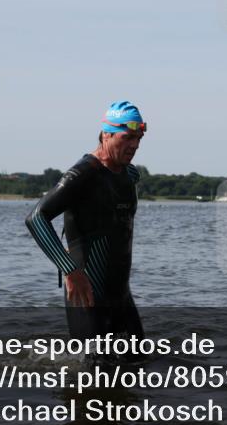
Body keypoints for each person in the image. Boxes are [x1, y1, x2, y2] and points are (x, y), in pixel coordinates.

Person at [25, 101, 146, 340]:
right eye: (128, 137)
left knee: (140, 359)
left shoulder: (129, 174)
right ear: (106, 135)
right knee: (93, 363)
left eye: (139, 138)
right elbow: (36, 218)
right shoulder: (83, 174)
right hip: (87, 295)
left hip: (121, 296)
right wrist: (70, 270)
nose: (134, 145)